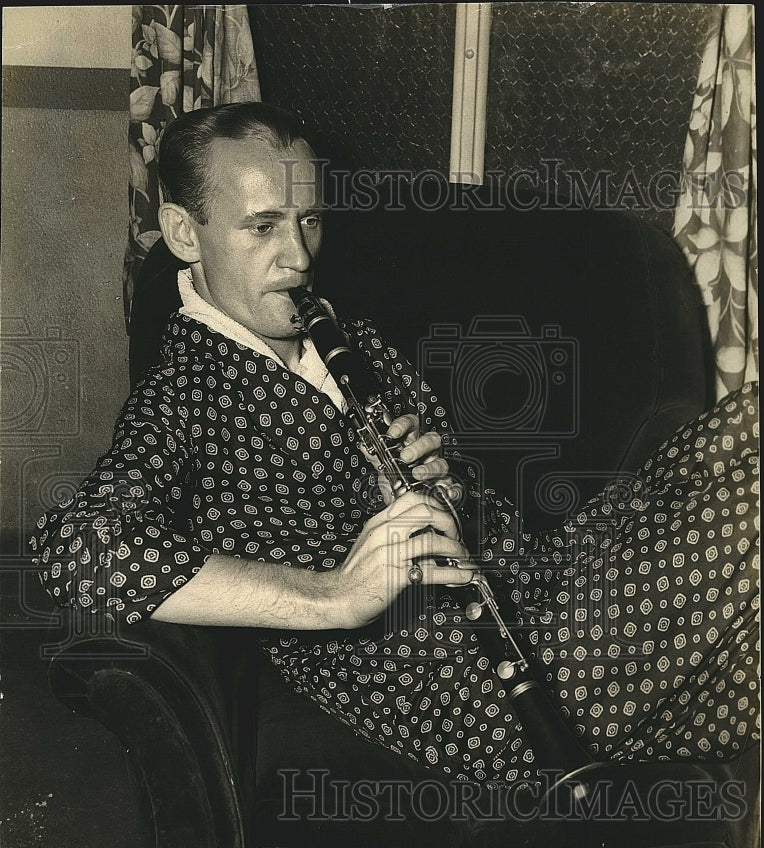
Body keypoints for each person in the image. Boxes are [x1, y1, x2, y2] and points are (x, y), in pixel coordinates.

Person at [30, 102, 759, 784]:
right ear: (186, 233)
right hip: (446, 675)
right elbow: (79, 546)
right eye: (263, 227)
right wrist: (334, 595)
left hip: (532, 584)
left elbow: (470, 506)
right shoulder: (185, 390)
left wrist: (446, 485)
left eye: (310, 220)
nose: (299, 257)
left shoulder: (341, 335)